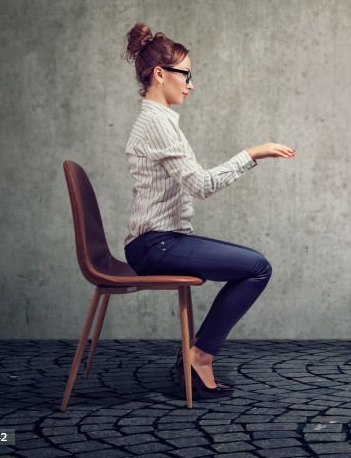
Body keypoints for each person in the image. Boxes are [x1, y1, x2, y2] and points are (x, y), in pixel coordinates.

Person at [120, 22, 295, 399]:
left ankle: (196, 356)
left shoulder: (159, 120)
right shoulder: (156, 124)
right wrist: (252, 154)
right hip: (155, 245)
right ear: (160, 74)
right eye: (186, 74)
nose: (191, 84)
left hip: (160, 241)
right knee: (258, 268)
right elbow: (200, 186)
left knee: (254, 266)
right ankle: (198, 357)